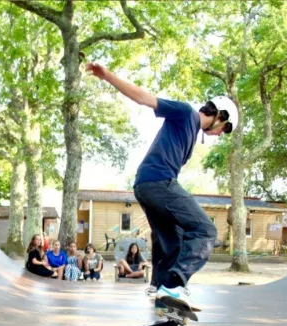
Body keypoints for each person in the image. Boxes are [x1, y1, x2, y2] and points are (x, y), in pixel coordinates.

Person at [86, 62, 236, 310]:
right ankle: (175, 286)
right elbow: (145, 98)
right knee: (206, 230)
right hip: (157, 181)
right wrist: (107, 76)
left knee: (173, 241)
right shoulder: (185, 113)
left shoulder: (189, 139)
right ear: (220, 115)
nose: (220, 135)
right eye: (225, 129)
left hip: (146, 186)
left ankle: (160, 292)